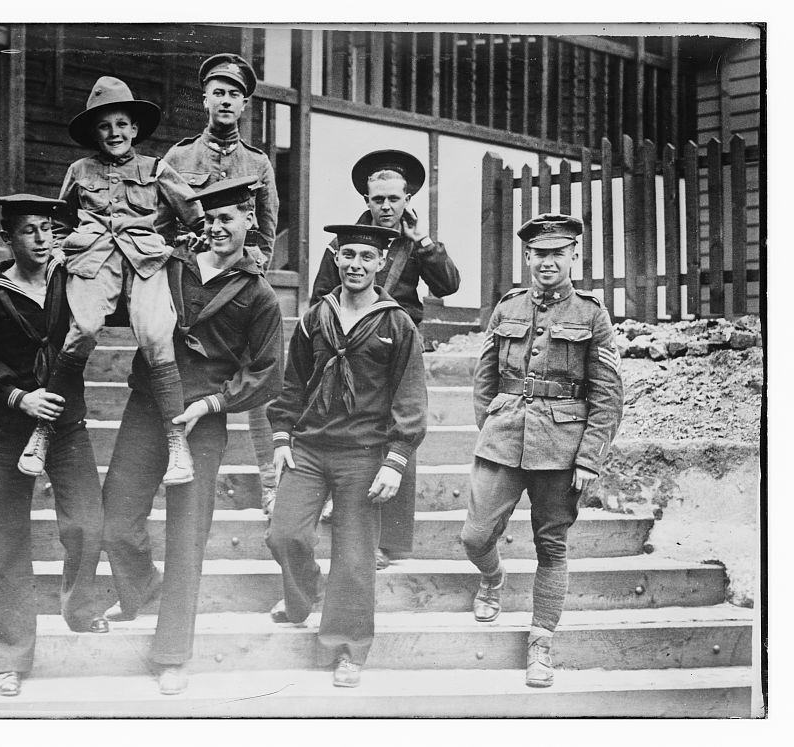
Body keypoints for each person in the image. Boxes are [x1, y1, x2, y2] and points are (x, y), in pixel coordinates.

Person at [98, 176, 283, 695]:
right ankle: (143, 588)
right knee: (115, 516)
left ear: (250, 222)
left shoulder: (259, 293)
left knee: (187, 535)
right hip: (147, 406)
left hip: (202, 420)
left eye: (230, 218)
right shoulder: (170, 265)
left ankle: (172, 652)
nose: (219, 227)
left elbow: (267, 372)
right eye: (212, 218)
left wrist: (213, 403)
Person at [0, 194, 109, 698]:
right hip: (11, 430)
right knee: (8, 541)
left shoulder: (75, 281)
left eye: (48, 229)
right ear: (6, 239)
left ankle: (80, 607)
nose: (42, 240)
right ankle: (7, 656)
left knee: (87, 523)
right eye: (28, 231)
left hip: (66, 428)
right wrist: (18, 396)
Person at [462, 213, 624, 688]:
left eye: (558, 253)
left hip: (563, 447)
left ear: (574, 256)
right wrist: (492, 427)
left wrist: (589, 457)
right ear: (527, 256)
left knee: (551, 547)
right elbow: (484, 378)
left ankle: (541, 643)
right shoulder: (507, 307)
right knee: (475, 536)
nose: (548, 261)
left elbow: (608, 394)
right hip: (504, 437)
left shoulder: (592, 314)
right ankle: (492, 578)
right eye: (539, 253)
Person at [16, 76, 204, 487]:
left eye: (121, 124)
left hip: (146, 261)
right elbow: (59, 219)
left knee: (156, 333)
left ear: (134, 129)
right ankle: (44, 432)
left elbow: (193, 214)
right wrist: (63, 250)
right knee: (81, 329)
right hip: (94, 260)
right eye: (105, 126)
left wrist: (181, 242)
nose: (114, 133)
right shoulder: (79, 170)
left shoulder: (155, 168)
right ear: (94, 133)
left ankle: (178, 444)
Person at [266, 224, 428, 688]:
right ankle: (301, 595)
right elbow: (293, 382)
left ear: (381, 265)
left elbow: (410, 397)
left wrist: (396, 458)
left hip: (363, 454)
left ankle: (346, 649)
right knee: (285, 534)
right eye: (348, 255)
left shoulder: (397, 322)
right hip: (311, 449)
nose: (356, 264)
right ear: (336, 259)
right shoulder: (315, 316)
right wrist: (281, 437)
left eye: (366, 257)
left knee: (355, 558)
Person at [310, 149, 461, 569]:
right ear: (366, 200)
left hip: (399, 345)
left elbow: (448, 285)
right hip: (348, 345)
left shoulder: (415, 242)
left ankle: (391, 542)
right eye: (378, 200)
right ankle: (332, 503)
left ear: (408, 198)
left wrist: (424, 243)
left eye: (395, 199)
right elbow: (320, 295)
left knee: (401, 431)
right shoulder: (345, 239)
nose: (386, 207)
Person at [163, 53, 281, 514]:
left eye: (235, 94)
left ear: (245, 103)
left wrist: (248, 273)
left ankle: (271, 483)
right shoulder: (179, 157)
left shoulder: (258, 162)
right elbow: (160, 223)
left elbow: (267, 231)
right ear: (206, 99)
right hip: (190, 284)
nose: (226, 100)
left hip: (238, 289)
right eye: (219, 92)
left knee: (258, 377)